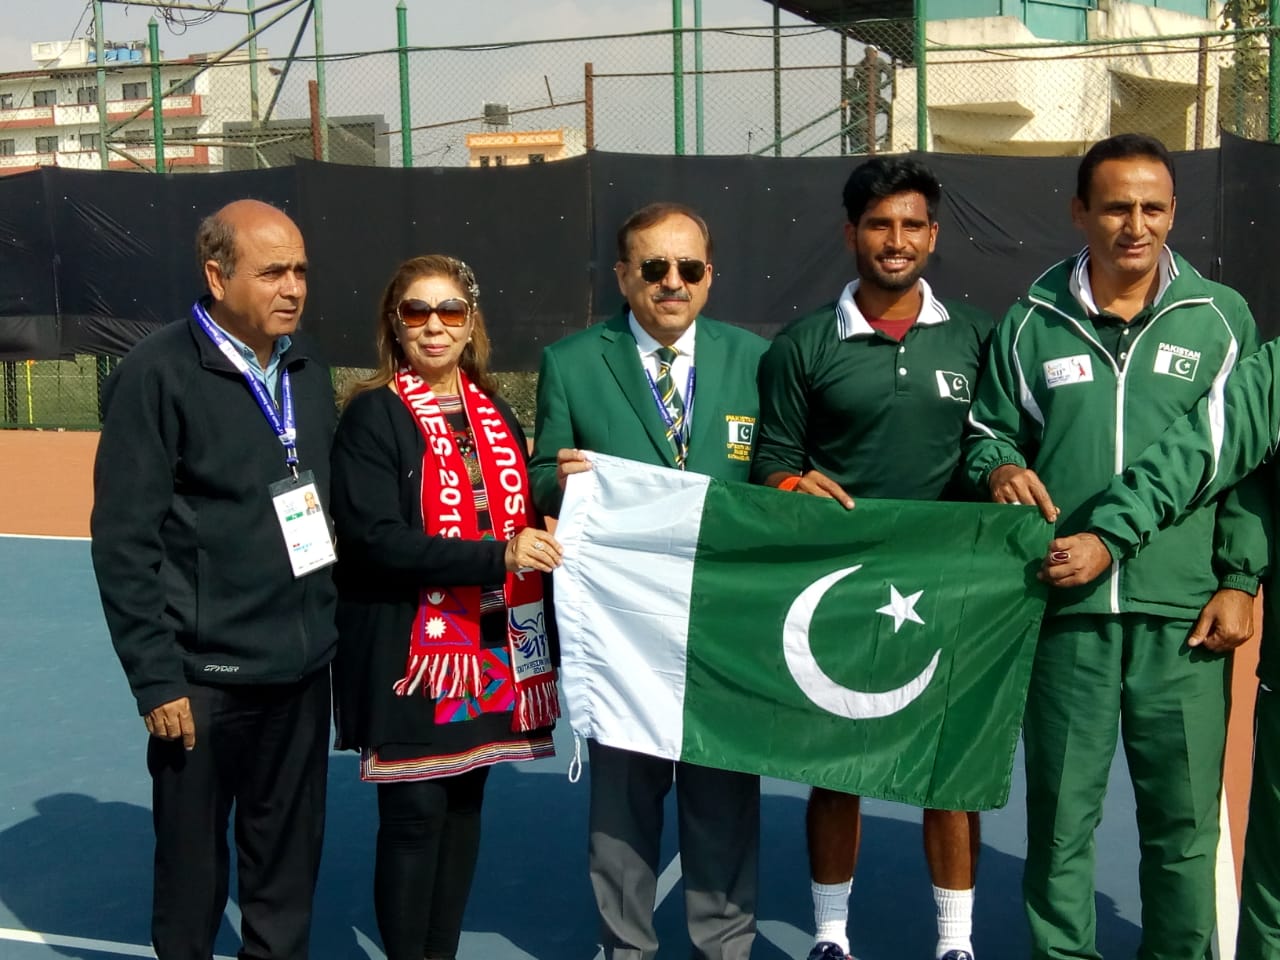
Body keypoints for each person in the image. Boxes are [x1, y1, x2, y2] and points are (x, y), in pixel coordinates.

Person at [962, 133, 1269, 960]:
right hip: (1067, 612)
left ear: (1173, 212)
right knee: (1061, 824)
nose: (1136, 226)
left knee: (1183, 826)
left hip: (1185, 617)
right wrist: (999, 470)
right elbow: (988, 435)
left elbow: (1245, 463)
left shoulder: (1221, 319)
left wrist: (1239, 579)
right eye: (1116, 207)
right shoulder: (1032, 321)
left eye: (1153, 208)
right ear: (1080, 212)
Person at [751, 156, 993, 960]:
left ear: (934, 234)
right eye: (880, 224)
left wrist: (1001, 474)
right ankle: (830, 935)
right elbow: (771, 461)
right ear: (850, 232)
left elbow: (992, 446)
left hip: (950, 587)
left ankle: (955, 942)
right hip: (845, 588)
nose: (896, 240)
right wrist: (792, 482)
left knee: (949, 771)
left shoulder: (977, 338)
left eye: (912, 224)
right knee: (837, 769)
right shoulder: (802, 345)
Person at [90, 199, 336, 960]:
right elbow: (124, 540)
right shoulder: (156, 372)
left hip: (300, 671)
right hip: (202, 682)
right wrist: (155, 678)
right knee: (192, 876)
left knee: (286, 874)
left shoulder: (306, 365)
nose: (292, 287)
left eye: (300, 271)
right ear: (218, 276)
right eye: (272, 272)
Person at [529, 202, 767, 960]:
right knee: (623, 810)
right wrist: (561, 479)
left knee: (723, 803)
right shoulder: (572, 361)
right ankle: (625, 948)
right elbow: (540, 474)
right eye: (654, 267)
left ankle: (723, 947)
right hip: (622, 630)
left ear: (710, 276)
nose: (673, 282)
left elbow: (778, 475)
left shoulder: (755, 359)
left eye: (689, 268)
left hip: (723, 626)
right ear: (623, 276)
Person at [329, 255, 561, 960]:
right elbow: (373, 540)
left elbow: (520, 515)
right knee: (414, 816)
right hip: (415, 651)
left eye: (450, 311)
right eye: (417, 311)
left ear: (470, 324)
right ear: (395, 325)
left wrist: (566, 493)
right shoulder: (373, 413)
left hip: (493, 646)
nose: (434, 325)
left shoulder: (496, 412)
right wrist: (499, 557)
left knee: (463, 807)